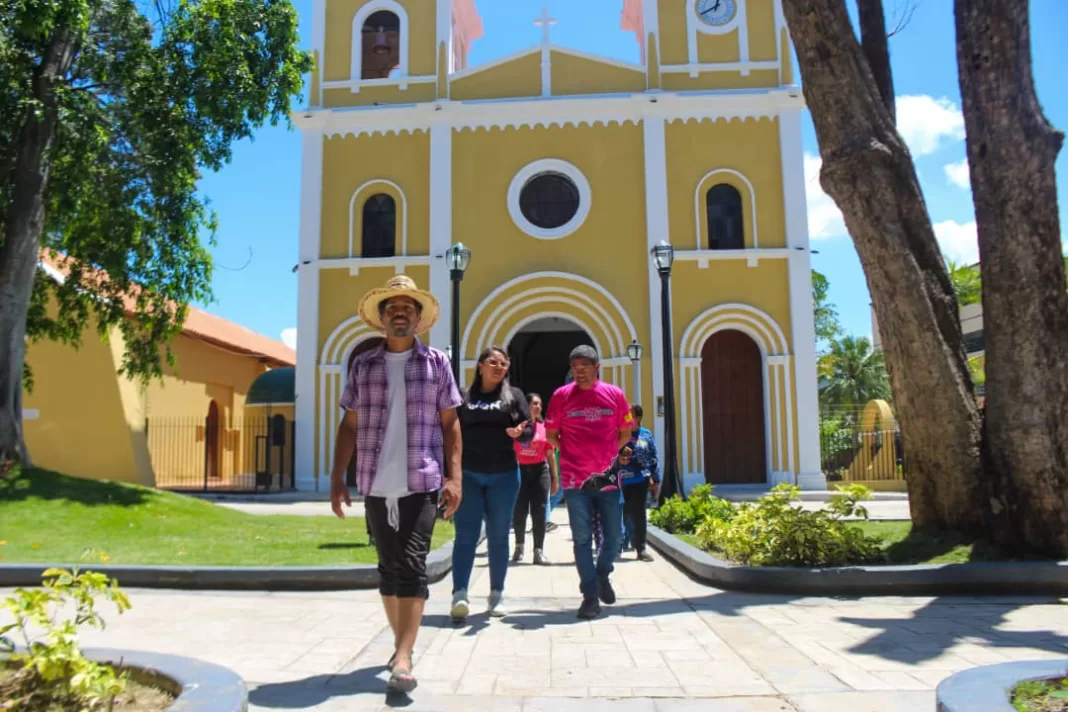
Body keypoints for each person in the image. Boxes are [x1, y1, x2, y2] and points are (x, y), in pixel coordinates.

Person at [329, 275, 462, 694]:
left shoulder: (437, 364)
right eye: (392, 308)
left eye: (408, 307)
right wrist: (337, 477)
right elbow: (349, 425)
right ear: (382, 318)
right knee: (388, 570)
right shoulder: (363, 366)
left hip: (421, 481)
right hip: (374, 483)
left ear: (419, 319)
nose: (400, 313)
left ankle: (403, 658)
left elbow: (451, 424)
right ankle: (400, 645)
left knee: (412, 565)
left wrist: (454, 477)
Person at [545, 345, 633, 619]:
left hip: (607, 480)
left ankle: (602, 574)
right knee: (582, 539)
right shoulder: (561, 397)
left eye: (584, 366)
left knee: (614, 538)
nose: (579, 372)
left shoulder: (615, 395)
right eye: (575, 367)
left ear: (597, 367)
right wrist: (570, 454)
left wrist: (607, 456)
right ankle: (590, 596)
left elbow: (626, 432)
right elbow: (551, 435)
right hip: (575, 482)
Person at [450, 346, 530, 621]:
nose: (499, 367)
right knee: (466, 536)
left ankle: (497, 595)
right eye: (493, 362)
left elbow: (528, 431)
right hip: (469, 474)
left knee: (498, 536)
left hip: (504, 475)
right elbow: (451, 433)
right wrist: (451, 476)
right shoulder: (463, 396)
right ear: (481, 365)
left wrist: (521, 432)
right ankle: (459, 594)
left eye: (503, 363)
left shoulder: (514, 396)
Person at [511, 392, 559, 566]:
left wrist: (555, 477)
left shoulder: (544, 427)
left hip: (540, 472)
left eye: (540, 404)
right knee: (520, 511)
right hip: (520, 472)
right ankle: (519, 547)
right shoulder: (517, 426)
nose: (538, 407)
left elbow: (550, 453)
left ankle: (538, 551)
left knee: (539, 512)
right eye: (535, 404)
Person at [620, 404, 660, 562]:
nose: (626, 418)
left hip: (640, 480)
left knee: (639, 514)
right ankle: (619, 545)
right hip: (622, 480)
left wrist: (655, 479)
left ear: (636, 418)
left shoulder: (646, 434)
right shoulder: (621, 434)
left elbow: (653, 457)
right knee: (621, 513)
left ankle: (641, 548)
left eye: (628, 415)